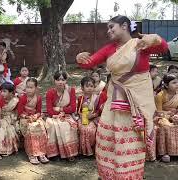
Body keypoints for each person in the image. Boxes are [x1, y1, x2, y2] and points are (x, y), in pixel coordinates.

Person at [76, 15, 168, 179]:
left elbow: (163, 48)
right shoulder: (109, 49)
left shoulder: (140, 44)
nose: (109, 31)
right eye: (108, 28)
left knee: (132, 137)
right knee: (108, 137)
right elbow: (89, 62)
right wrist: (80, 58)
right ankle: (109, 174)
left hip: (138, 102)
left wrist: (155, 38)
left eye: (112, 27)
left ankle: (129, 175)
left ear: (124, 26)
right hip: (115, 99)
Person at [45, 71, 78, 161]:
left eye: (63, 80)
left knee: (66, 125)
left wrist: (60, 109)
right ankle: (54, 153)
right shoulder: (50, 93)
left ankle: (69, 153)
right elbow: (50, 110)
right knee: (52, 125)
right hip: (53, 117)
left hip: (67, 115)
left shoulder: (71, 91)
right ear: (54, 81)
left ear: (66, 81)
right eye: (58, 80)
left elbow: (73, 108)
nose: (60, 82)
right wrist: (58, 114)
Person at [18, 78, 49, 165]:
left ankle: (42, 153)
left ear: (36, 88)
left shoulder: (38, 98)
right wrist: (27, 117)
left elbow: (39, 111)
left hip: (35, 117)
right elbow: (20, 112)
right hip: (25, 118)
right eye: (27, 87)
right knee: (31, 129)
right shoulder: (23, 98)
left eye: (31, 87)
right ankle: (32, 154)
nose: (29, 90)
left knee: (41, 127)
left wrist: (36, 116)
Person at [77, 76, 107, 156]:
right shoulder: (80, 98)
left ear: (94, 87)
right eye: (87, 86)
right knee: (83, 128)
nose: (89, 88)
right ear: (82, 88)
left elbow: (99, 110)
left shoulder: (97, 98)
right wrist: (82, 114)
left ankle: (92, 150)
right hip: (83, 118)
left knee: (90, 129)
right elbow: (78, 111)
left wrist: (92, 115)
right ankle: (84, 151)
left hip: (94, 118)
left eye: (91, 86)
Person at [0, 82, 19, 160]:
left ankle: (3, 149)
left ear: (10, 92)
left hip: (11, 117)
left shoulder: (15, 100)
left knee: (8, 129)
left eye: (4, 91)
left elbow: (17, 112)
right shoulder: (1, 98)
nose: (2, 93)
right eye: (1, 91)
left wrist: (14, 119)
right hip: (2, 117)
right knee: (0, 127)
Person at [154, 74, 178, 162]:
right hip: (162, 117)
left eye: (177, 82)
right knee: (166, 127)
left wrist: (175, 116)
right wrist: (169, 115)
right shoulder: (160, 96)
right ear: (167, 85)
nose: (177, 84)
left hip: (175, 116)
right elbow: (158, 112)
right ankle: (165, 153)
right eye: (174, 83)